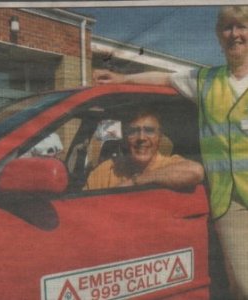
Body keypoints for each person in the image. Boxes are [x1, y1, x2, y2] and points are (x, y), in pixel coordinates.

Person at [93, 6, 248, 299]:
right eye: (227, 27)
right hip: (231, 202)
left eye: (242, 26)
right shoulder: (206, 80)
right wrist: (122, 80)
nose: (235, 34)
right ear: (218, 35)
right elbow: (163, 79)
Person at [84, 110, 204, 190]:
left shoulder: (170, 165)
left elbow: (196, 171)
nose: (141, 138)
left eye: (149, 131)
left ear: (159, 137)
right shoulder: (107, 170)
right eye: (133, 131)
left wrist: (135, 181)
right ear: (125, 137)